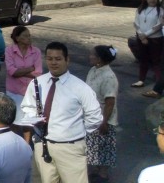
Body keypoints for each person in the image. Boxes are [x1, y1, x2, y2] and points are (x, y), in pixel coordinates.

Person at [20, 41, 103, 183]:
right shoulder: (37, 83)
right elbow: (27, 107)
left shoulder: (80, 87)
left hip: (70, 148)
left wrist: (75, 133)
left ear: (67, 59)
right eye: (50, 59)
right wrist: (34, 119)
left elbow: (95, 117)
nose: (53, 63)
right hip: (42, 145)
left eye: (58, 59)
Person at [86, 45, 119, 183]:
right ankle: (94, 173)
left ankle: (102, 176)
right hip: (91, 117)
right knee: (93, 149)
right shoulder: (93, 70)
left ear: (99, 59)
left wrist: (104, 122)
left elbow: (110, 102)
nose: (90, 56)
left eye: (92, 55)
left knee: (104, 150)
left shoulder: (109, 77)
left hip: (103, 119)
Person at [5, 26, 41, 119]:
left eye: (29, 35)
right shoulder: (9, 51)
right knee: (14, 119)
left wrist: (19, 72)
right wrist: (30, 68)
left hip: (30, 91)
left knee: (29, 121)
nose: (29, 38)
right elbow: (12, 72)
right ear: (17, 38)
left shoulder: (36, 52)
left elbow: (38, 73)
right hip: (14, 91)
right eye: (25, 36)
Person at [131, 0, 163, 91]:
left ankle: (159, 84)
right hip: (141, 38)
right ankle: (141, 80)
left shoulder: (160, 10)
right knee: (143, 60)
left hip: (155, 39)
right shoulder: (140, 9)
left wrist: (145, 35)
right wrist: (141, 35)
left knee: (156, 62)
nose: (153, 0)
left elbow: (158, 26)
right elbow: (136, 23)